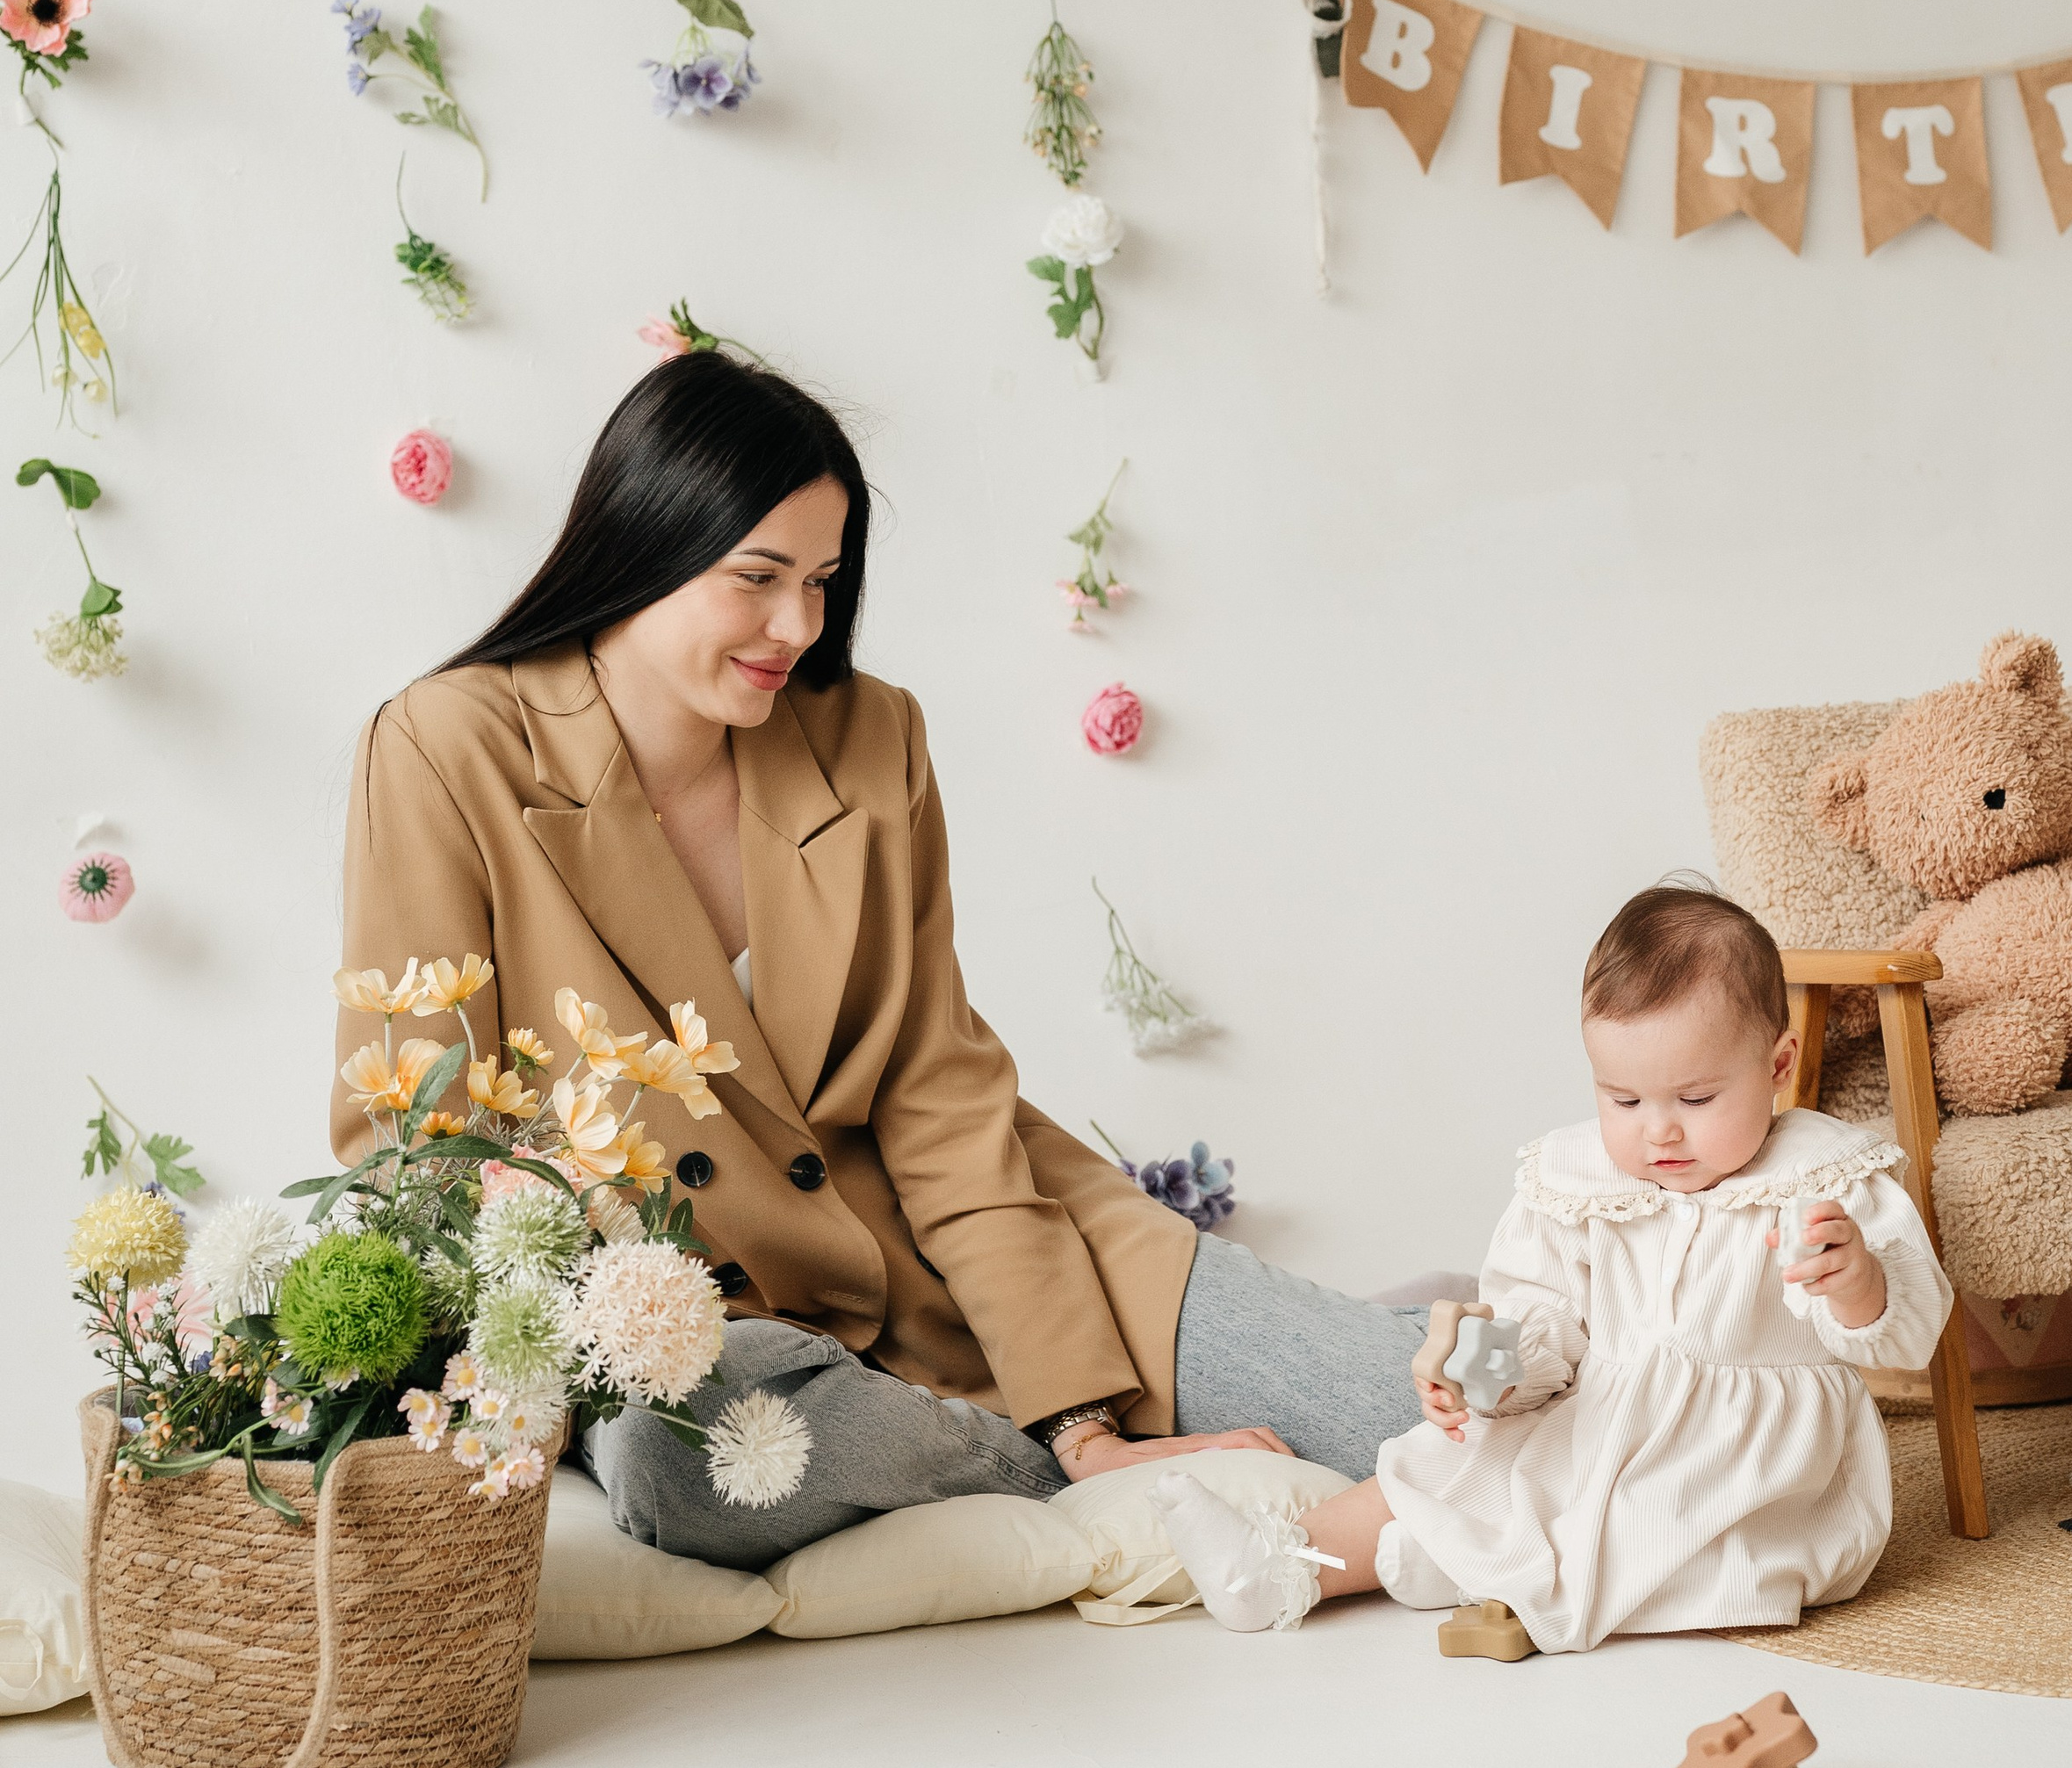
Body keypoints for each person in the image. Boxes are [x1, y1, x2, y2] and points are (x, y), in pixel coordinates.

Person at [335, 346, 1431, 1564]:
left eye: (823, 580)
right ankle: (1020, 1469)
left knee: (1427, 1407)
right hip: (695, 1328)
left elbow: (938, 1094)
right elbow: (414, 1134)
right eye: (759, 578)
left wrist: (1086, 1419)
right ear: (642, 544)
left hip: (991, 1265)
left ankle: (1449, 1320)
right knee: (680, 1455)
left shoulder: (870, 734)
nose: (799, 626)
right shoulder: (447, 748)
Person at [1152, 880, 1953, 1649]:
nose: (1659, 1133)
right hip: (1597, 1416)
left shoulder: (1822, 1181)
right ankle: (1283, 1564)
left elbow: (1908, 1334)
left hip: (1740, 1465)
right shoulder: (1576, 1184)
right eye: (1624, 1101)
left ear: (1777, 1068)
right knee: (1440, 1471)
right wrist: (1486, 1367)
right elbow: (1542, 1321)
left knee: (1640, 1531)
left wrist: (1859, 1284)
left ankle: (1469, 1571)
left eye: (1696, 1100)